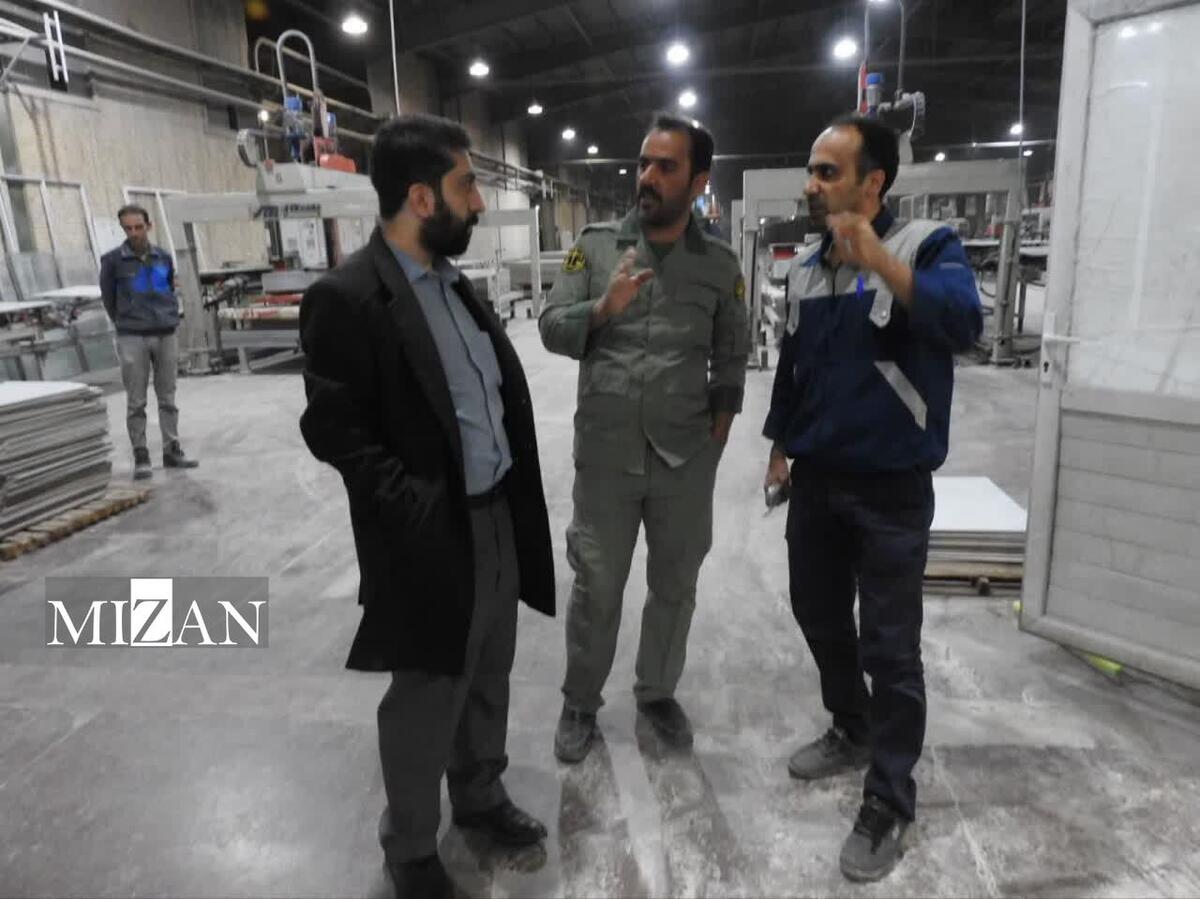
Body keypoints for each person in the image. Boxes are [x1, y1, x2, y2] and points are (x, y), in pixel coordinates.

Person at [298, 113, 556, 899]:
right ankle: (410, 846)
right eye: (467, 184)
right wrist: (414, 510)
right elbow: (335, 429)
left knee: (488, 672)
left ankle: (479, 794)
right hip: (431, 533)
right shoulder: (348, 297)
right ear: (419, 197)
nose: (477, 202)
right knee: (427, 695)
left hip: (497, 516)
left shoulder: (452, 284)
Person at [762, 115, 983, 882]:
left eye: (827, 172)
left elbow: (964, 323)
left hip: (890, 486)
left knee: (890, 647)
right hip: (817, 480)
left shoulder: (926, 247)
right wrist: (779, 445)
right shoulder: (806, 267)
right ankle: (851, 726)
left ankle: (889, 796)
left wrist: (881, 262)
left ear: (873, 182)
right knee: (817, 612)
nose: (811, 184)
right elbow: (794, 363)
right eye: (812, 170)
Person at [540, 113, 748, 763]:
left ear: (698, 181)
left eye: (666, 166)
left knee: (675, 583)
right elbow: (550, 325)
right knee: (597, 584)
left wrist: (721, 425)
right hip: (607, 452)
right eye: (643, 163)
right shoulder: (594, 247)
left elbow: (732, 349)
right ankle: (580, 700)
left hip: (685, 456)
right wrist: (602, 308)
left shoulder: (719, 264)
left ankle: (657, 690)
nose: (648, 177)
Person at [98, 205, 199, 479]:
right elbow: (109, 299)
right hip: (132, 335)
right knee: (136, 400)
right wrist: (126, 321)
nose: (134, 233)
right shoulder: (113, 262)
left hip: (165, 333)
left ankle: (172, 450)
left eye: (138, 227)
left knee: (168, 397)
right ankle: (141, 456)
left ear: (149, 226)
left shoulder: (162, 257)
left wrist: (167, 318)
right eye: (128, 228)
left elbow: (168, 288)